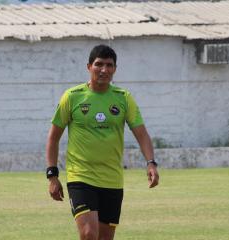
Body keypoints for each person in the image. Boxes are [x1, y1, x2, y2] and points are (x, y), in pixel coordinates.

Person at [46, 44, 159, 240]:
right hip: (80, 177)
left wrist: (151, 163)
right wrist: (52, 175)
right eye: (99, 64)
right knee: (89, 234)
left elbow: (141, 133)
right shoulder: (72, 97)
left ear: (115, 69)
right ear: (89, 66)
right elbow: (53, 137)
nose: (104, 70)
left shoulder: (124, 98)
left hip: (112, 180)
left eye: (109, 65)